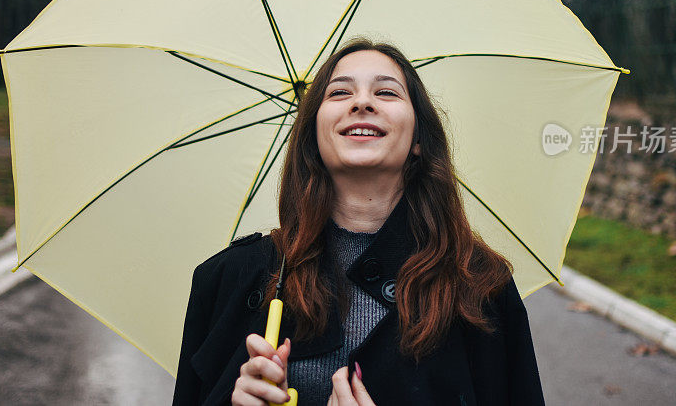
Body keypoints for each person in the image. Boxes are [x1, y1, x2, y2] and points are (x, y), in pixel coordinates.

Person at [172, 37, 545, 406]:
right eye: (338, 93)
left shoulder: (481, 288)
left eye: (386, 92)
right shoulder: (229, 279)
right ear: (313, 136)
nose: (362, 101)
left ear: (418, 138)